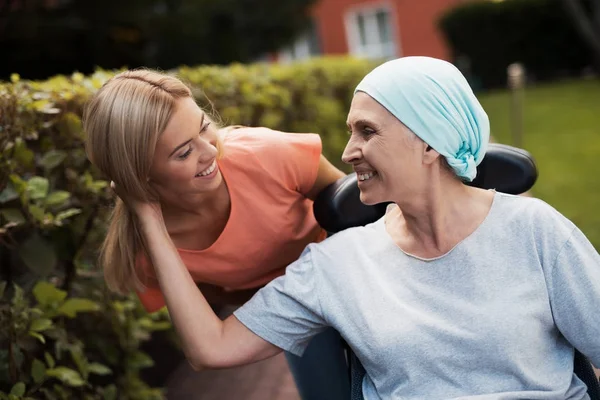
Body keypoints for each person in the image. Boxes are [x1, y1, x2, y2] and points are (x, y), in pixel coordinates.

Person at [102, 57, 600, 399]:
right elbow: (210, 347)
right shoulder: (337, 265)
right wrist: (145, 212)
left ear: (431, 143)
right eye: (350, 132)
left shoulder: (535, 231)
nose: (345, 153)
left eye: (367, 131)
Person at [82, 69, 352, 399]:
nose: (210, 152)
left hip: (346, 273)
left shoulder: (268, 155)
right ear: (141, 174)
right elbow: (208, 328)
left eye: (204, 127)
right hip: (293, 309)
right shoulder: (149, 252)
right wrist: (148, 216)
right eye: (183, 152)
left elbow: (357, 216)